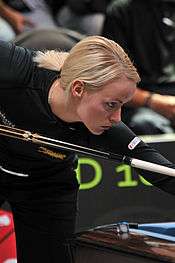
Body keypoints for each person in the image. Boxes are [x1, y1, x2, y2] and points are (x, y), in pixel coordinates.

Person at [0, 35, 175, 263]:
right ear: (78, 88)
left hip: (45, 186)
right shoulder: (16, 68)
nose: (117, 118)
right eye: (111, 104)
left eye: (122, 105)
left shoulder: (109, 128)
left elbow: (160, 170)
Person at [103, 0, 175, 135]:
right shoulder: (121, 11)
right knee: (148, 124)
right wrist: (153, 101)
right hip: (139, 101)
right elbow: (111, 83)